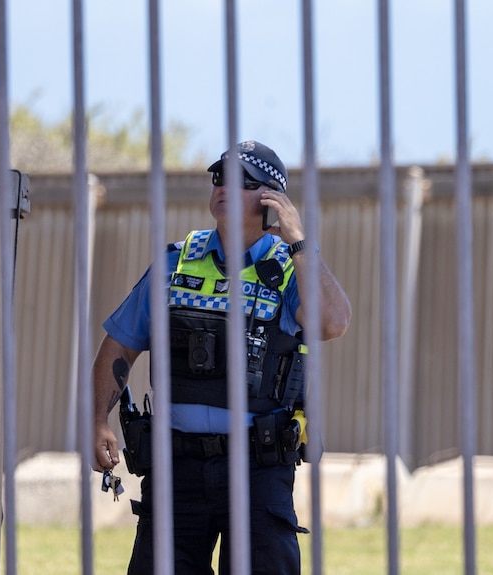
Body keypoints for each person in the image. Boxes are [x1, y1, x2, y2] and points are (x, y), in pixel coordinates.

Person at [92, 140, 352, 575]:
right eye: (219, 177)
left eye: (243, 180)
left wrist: (300, 242)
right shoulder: (174, 265)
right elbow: (120, 345)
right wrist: (98, 418)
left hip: (257, 470)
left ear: (273, 198)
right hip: (175, 469)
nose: (225, 187)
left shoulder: (288, 270)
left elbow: (332, 323)